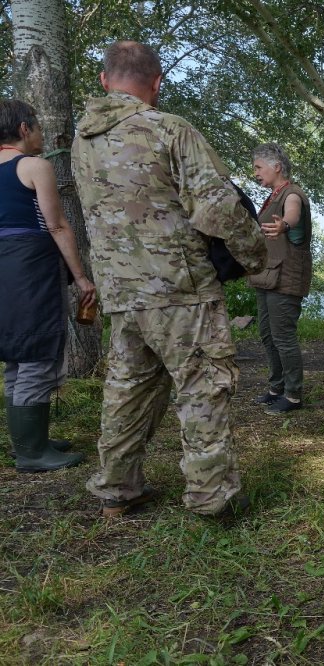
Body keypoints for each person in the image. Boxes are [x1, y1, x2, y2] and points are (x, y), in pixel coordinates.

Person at [72, 41, 267, 518]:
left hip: (121, 291)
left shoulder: (82, 142)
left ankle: (117, 489)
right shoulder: (169, 129)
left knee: (128, 390)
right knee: (203, 387)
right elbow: (219, 206)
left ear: (104, 80)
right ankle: (212, 496)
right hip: (180, 290)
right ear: (157, 83)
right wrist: (255, 257)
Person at [0, 100, 96, 473]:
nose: (41, 134)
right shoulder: (33, 166)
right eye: (37, 126)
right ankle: (33, 452)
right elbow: (56, 225)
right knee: (37, 351)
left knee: (16, 353)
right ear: (24, 128)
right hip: (30, 267)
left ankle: (29, 440)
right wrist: (81, 277)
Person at [247, 143, 313, 414]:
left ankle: (293, 395)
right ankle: (277, 388)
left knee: (283, 337)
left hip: (286, 276)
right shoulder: (273, 195)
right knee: (267, 334)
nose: (255, 173)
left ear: (276, 167)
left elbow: (292, 214)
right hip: (267, 275)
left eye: (258, 167)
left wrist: (284, 224)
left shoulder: (292, 193)